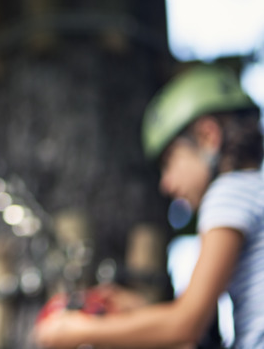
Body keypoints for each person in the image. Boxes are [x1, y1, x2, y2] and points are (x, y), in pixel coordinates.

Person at [34, 63, 264, 348]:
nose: (166, 184)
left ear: (207, 136)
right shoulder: (254, 189)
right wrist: (141, 309)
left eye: (170, 161)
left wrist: (83, 331)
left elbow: (187, 325)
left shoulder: (228, 194)